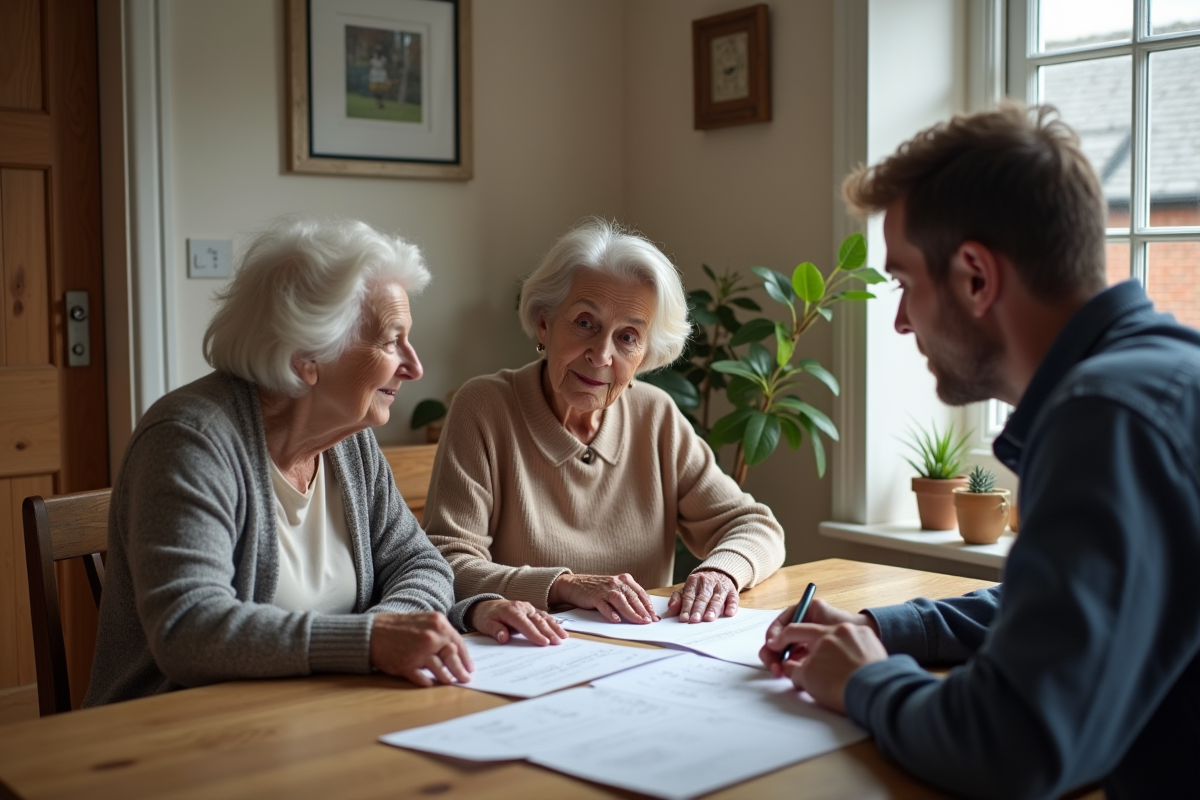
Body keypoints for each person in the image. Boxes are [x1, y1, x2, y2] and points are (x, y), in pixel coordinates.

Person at [760, 103, 1200, 799]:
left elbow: (1008, 745)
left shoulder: (1107, 418)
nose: (900, 321)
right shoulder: (1160, 379)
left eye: (905, 283)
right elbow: (1066, 611)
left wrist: (866, 680)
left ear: (974, 276)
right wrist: (883, 628)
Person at [85, 216, 566, 707]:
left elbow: (422, 565)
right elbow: (190, 629)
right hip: (179, 727)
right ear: (307, 355)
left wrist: (392, 632)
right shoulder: (191, 441)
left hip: (322, 709)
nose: (414, 366)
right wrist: (372, 641)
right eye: (390, 340)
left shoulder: (347, 442)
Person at [423, 218, 785, 626]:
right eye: (584, 323)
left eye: (627, 337)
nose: (601, 355)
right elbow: (447, 562)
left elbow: (755, 526)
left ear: (645, 355)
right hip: (528, 647)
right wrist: (564, 585)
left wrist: (720, 572)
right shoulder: (485, 408)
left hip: (643, 651)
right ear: (544, 324)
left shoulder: (656, 415)